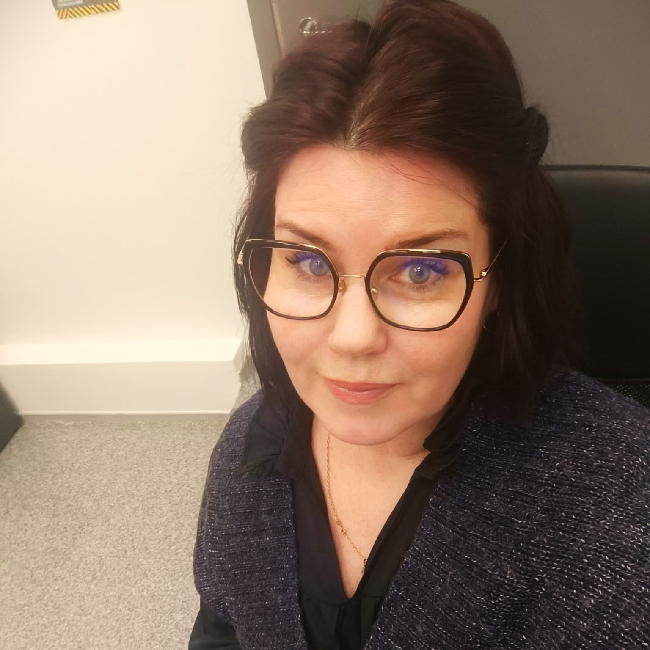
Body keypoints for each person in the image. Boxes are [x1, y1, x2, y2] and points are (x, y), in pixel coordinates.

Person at [189, 1, 650, 648]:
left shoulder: (625, 515)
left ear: (501, 277)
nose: (352, 338)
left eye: (421, 271)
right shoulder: (249, 446)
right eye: (308, 261)